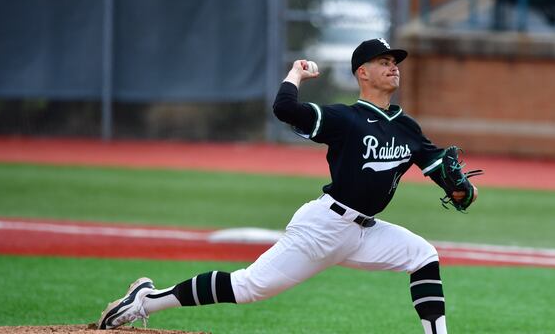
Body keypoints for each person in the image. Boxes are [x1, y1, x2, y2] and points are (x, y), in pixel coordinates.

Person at [98, 38, 479, 334]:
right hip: (324, 227)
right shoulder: (345, 118)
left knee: (422, 255)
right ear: (362, 73)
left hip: (365, 232)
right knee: (248, 288)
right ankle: (147, 301)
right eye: (383, 61)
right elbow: (284, 108)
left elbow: (443, 172)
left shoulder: (406, 127)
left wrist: (463, 190)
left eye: (394, 62)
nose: (393, 67)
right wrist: (295, 73)